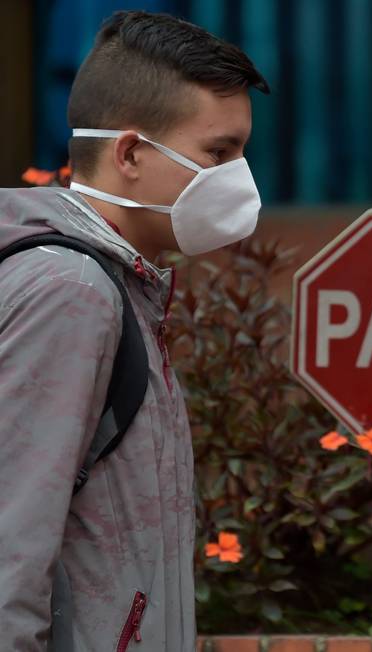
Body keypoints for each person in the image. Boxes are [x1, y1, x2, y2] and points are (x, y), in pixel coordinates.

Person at [0, 11, 267, 650]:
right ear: (129, 154)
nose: (239, 179)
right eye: (218, 153)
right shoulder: (74, 294)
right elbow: (11, 538)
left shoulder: (122, 287)